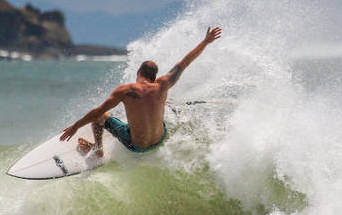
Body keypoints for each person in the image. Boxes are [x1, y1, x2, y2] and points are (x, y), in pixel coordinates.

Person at [60, 26, 222, 157]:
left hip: (137, 146)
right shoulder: (163, 84)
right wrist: (205, 41)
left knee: (100, 117)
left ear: (138, 72)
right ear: (155, 77)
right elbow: (185, 62)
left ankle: (98, 149)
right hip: (160, 139)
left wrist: (76, 126)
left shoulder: (125, 90)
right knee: (166, 104)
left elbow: (97, 112)